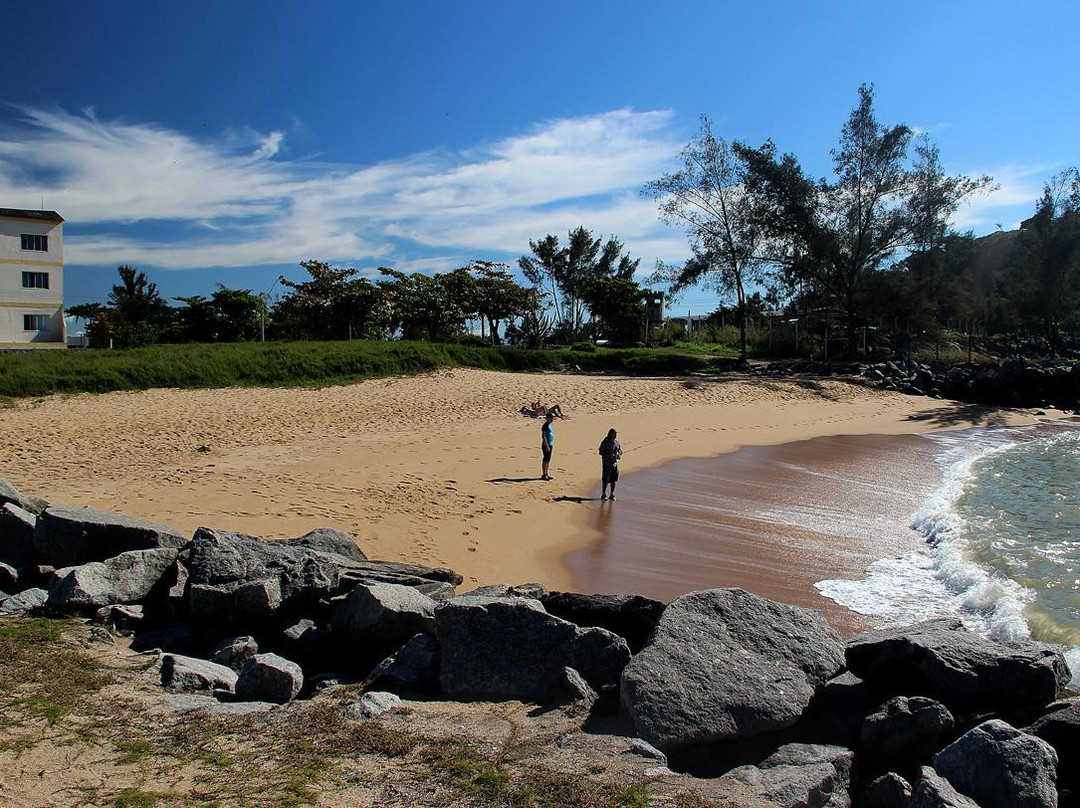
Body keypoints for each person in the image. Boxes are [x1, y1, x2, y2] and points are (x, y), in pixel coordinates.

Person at [598, 428, 622, 500]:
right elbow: (600, 452)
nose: (615, 436)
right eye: (614, 434)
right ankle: (603, 494)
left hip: (614, 464)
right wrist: (609, 456)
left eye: (615, 434)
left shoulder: (617, 443)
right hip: (607, 464)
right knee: (605, 479)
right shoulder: (605, 442)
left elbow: (620, 451)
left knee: (613, 480)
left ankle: (612, 494)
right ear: (610, 434)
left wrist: (619, 454)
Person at [540, 412, 555, 480]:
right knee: (545, 459)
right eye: (551, 418)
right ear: (548, 418)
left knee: (548, 460)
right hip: (546, 445)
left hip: (550, 444)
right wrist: (547, 446)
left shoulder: (549, 425)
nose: (552, 419)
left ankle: (546, 473)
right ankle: (544, 474)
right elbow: (544, 436)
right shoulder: (545, 426)